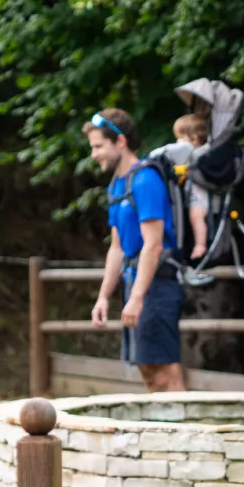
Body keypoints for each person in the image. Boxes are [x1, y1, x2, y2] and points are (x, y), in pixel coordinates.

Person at [84, 109, 186, 392]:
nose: (94, 155)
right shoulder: (117, 187)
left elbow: (153, 245)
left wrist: (138, 298)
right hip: (134, 283)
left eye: (98, 147)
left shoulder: (145, 181)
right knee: (148, 371)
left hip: (158, 284)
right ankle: (164, 435)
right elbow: (116, 247)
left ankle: (182, 436)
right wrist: (104, 296)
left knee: (164, 371)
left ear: (120, 142)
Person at [148, 112, 213, 261]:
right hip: (196, 192)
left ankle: (200, 245)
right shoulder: (200, 152)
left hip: (200, 194)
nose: (178, 142)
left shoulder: (194, 150)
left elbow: (179, 163)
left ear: (194, 138)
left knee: (196, 217)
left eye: (180, 138)